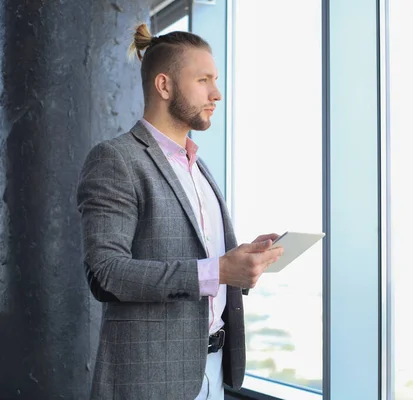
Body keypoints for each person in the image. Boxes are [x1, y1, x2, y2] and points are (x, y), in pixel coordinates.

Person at [77, 23, 283, 400]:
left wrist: (240, 265)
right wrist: (218, 269)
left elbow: (198, 267)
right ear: (164, 86)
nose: (216, 94)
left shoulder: (198, 168)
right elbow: (106, 274)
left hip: (214, 370)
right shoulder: (116, 160)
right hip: (150, 380)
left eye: (215, 80)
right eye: (203, 80)